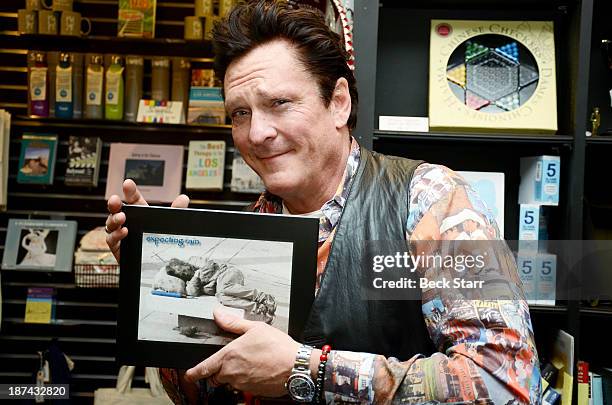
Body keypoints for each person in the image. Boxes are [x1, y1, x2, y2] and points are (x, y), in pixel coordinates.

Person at [105, 1, 541, 403]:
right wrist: (156, 292)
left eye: (280, 103)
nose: (257, 133)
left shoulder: (430, 201)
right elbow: (200, 394)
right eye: (240, 113)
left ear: (338, 102)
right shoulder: (245, 233)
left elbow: (502, 383)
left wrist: (308, 370)